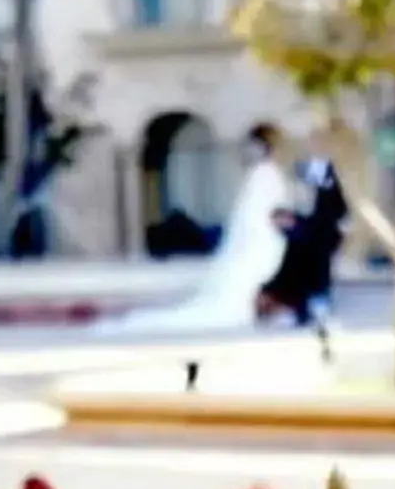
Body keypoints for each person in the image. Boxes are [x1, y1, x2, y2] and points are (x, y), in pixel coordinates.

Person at [120, 125, 293, 334]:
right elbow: (254, 212)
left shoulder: (266, 173)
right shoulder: (262, 174)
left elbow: (270, 208)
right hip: (256, 238)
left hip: (262, 237)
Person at [260, 145, 350, 328]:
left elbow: (335, 212)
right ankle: (309, 311)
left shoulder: (325, 196)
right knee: (305, 278)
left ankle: (313, 312)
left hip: (317, 243)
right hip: (311, 246)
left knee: (312, 279)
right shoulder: (320, 196)